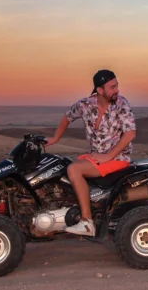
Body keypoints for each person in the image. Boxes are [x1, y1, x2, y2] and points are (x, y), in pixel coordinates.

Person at [45, 69, 137, 236]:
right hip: (95, 156)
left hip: (117, 158)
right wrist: (55, 138)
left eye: (117, 86)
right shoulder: (85, 105)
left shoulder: (121, 104)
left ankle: (87, 222)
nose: (117, 90)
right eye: (112, 87)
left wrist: (109, 156)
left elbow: (130, 133)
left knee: (74, 169)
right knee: (61, 168)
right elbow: (68, 117)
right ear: (99, 90)